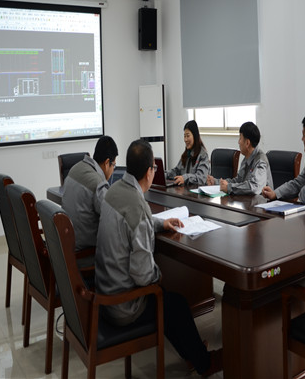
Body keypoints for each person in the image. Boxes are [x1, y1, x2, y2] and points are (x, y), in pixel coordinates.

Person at [95, 139, 222, 377]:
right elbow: (143, 276)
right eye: (154, 168)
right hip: (123, 306)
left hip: (104, 290)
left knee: (168, 300)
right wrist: (160, 276)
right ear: (148, 172)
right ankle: (204, 363)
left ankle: (192, 355)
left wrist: (160, 223)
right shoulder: (137, 205)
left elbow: (132, 222)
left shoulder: (115, 190)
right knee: (174, 302)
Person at [61, 136, 118, 251]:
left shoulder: (75, 168)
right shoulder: (98, 184)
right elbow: (115, 217)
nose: (113, 169)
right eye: (114, 165)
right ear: (107, 163)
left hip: (66, 245)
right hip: (84, 253)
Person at [206, 121, 273, 195]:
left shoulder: (261, 161)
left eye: (240, 138)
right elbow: (238, 181)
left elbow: (254, 187)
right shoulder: (246, 158)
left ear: (247, 143)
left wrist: (229, 187)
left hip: (260, 201)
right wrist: (216, 182)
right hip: (247, 200)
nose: (238, 142)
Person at [166, 120, 210, 186]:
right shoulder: (186, 154)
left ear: (195, 136)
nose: (185, 140)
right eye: (184, 136)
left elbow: (201, 178)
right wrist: (164, 174)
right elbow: (177, 171)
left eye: (188, 136)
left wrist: (184, 178)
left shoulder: (203, 155)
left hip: (196, 191)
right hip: (184, 190)